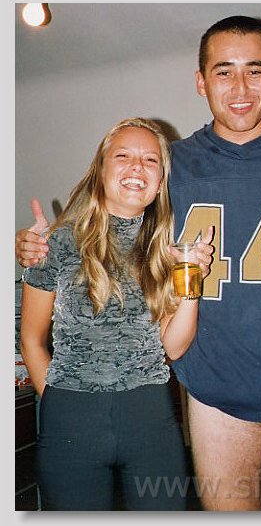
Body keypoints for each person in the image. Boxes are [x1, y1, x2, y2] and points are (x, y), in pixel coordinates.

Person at [16, 16, 261, 512]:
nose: (240, 87)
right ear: (200, 81)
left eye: (254, 71)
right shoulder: (169, 167)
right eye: (223, 71)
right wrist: (36, 246)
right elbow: (103, 225)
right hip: (212, 391)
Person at [19, 117, 213, 511]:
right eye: (123, 156)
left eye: (151, 160)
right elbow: (31, 340)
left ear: (160, 182)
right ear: (101, 170)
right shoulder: (54, 242)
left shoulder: (167, 250)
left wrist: (190, 279)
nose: (137, 166)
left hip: (150, 419)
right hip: (70, 420)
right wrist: (58, 402)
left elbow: (173, 348)